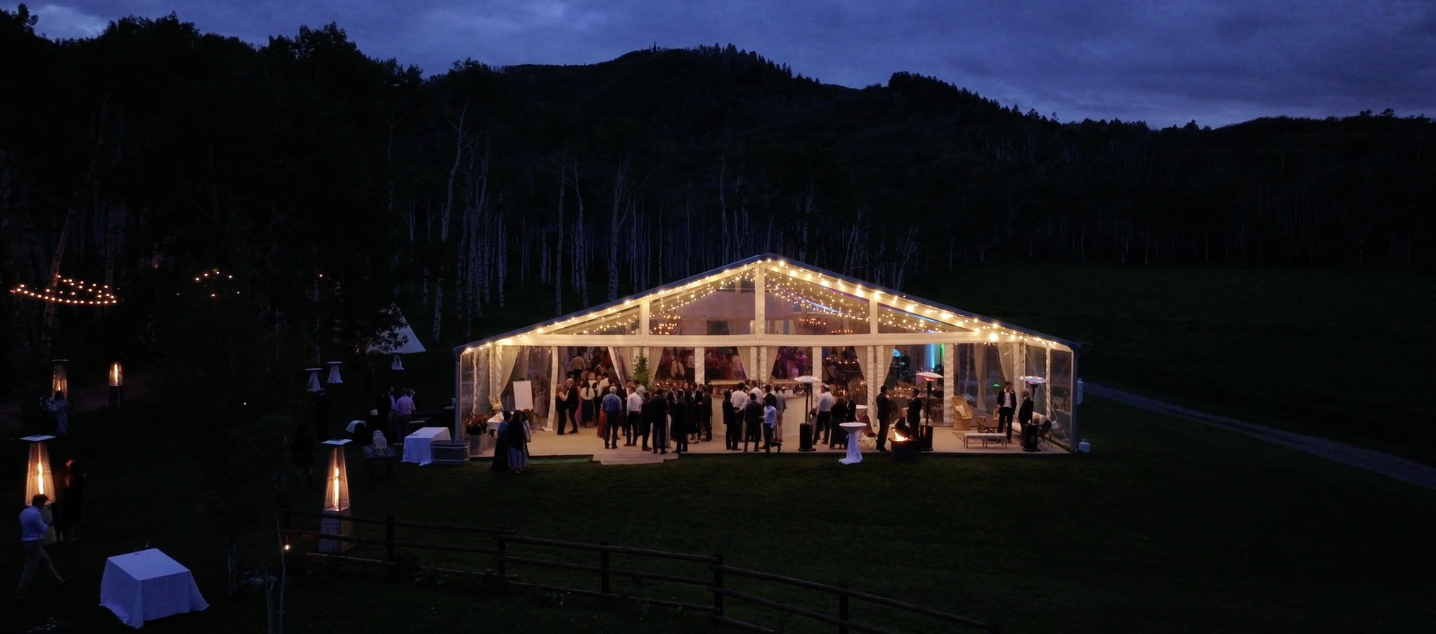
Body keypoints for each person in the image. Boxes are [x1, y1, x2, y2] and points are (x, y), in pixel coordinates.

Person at [16, 494, 67, 599]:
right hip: (35, 542)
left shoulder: (24, 512)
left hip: (26, 541)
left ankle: (59, 580)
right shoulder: (36, 514)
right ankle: (19, 593)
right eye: (43, 503)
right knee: (30, 568)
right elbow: (42, 529)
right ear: (40, 503)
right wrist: (50, 524)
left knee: (47, 561)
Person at [57, 459, 86, 543]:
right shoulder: (66, 474)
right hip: (68, 499)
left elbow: (81, 486)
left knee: (72, 518)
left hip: (73, 499)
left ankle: (71, 536)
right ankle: (68, 536)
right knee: (68, 518)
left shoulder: (75, 475)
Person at [290, 423, 316, 488]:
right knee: (308, 470)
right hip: (306, 456)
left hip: (300, 456)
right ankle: (310, 483)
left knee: (298, 470)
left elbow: (292, 447)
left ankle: (297, 483)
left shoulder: (296, 437)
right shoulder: (307, 436)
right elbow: (311, 446)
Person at [875, 385, 893, 452]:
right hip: (885, 416)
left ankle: (878, 445)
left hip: (880, 416)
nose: (887, 391)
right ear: (885, 390)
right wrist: (891, 412)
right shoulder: (884, 398)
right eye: (886, 390)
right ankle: (882, 446)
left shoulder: (878, 397)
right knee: (884, 431)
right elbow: (888, 407)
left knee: (881, 430)